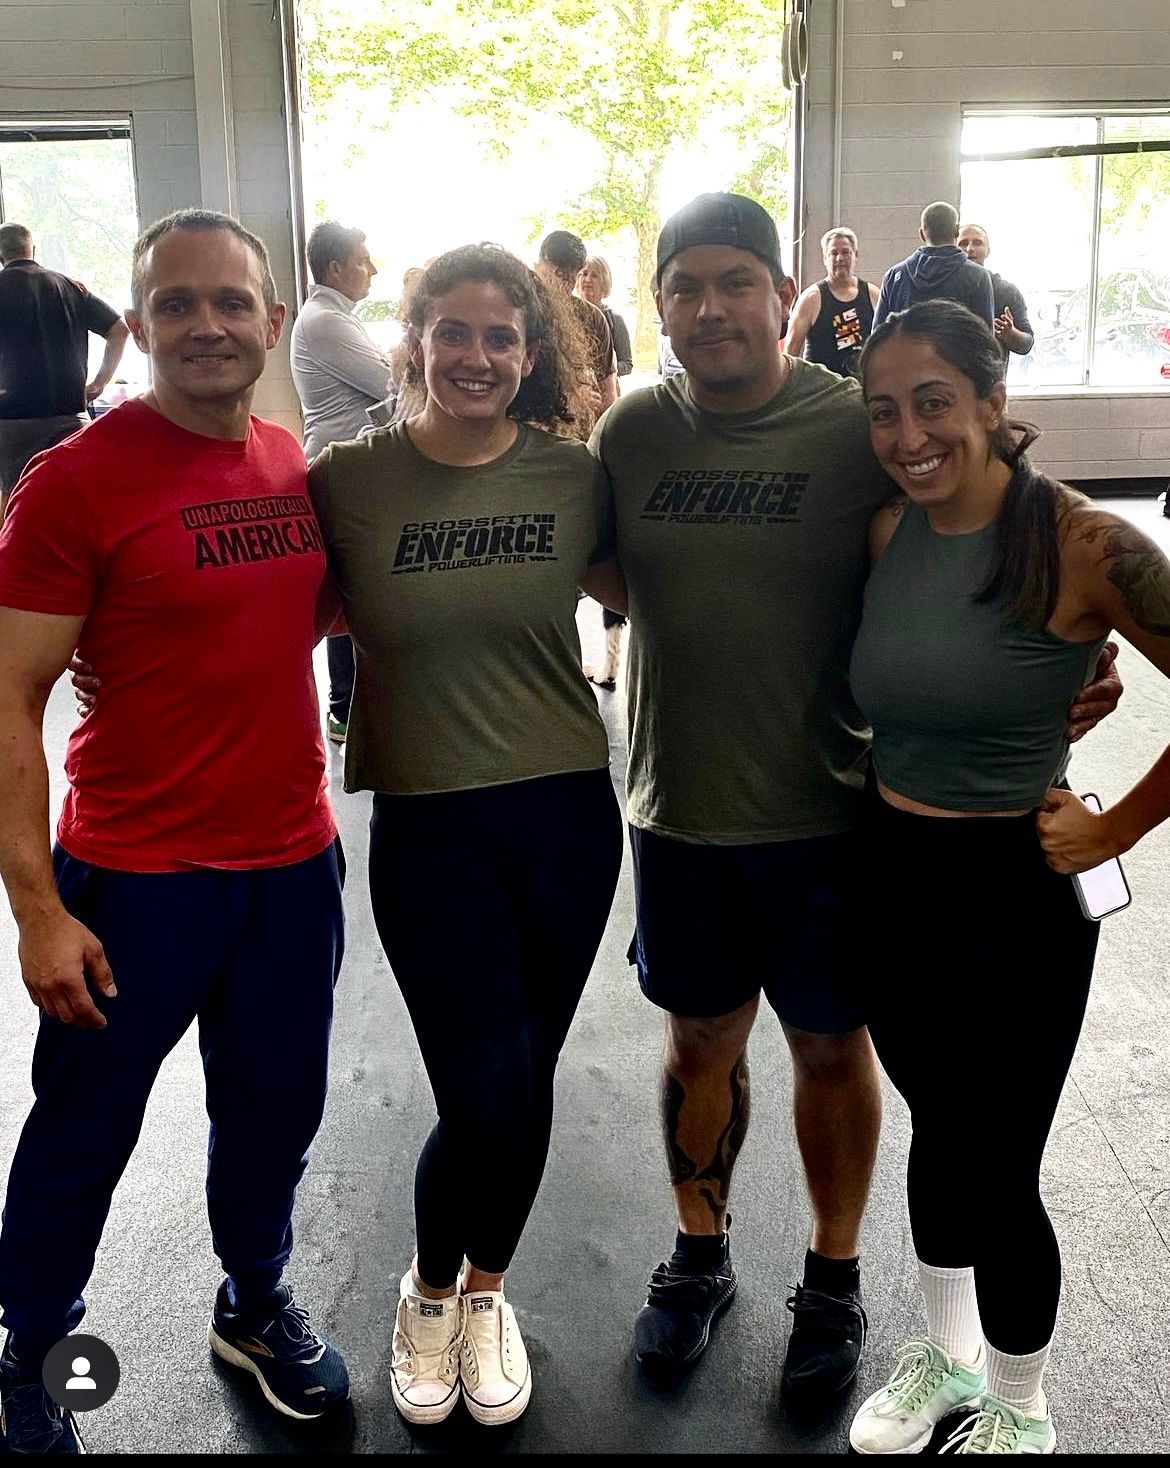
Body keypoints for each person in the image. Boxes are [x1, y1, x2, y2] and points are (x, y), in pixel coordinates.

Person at [586, 192, 1121, 1407]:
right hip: (680, 807)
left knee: (835, 1046)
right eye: (685, 286)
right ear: (659, 300)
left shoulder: (851, 425)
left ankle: (834, 1280)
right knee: (698, 1041)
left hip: (837, 810)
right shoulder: (629, 433)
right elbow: (605, 564)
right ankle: (699, 1252)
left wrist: (1060, 669)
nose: (710, 306)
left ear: (785, 295)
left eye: (736, 281)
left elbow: (990, 530)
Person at [0, 208, 350, 1454]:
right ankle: (32, 1351)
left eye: (231, 302)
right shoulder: (77, 479)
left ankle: (254, 1304)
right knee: (84, 1128)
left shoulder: (282, 461)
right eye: (177, 303)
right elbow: (10, 693)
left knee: (275, 1111)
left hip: (291, 865)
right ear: (138, 323)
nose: (208, 323)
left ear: (269, 319)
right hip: (137, 879)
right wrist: (39, 908)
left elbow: (275, 635)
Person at [306, 243, 623, 1429]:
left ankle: (484, 1292)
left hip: (562, 814)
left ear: (530, 352)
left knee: (524, 1074)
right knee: (481, 1086)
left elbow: (691, 595)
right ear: (415, 339)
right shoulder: (347, 482)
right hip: (431, 821)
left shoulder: (571, 475)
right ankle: (425, 1288)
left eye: (502, 337)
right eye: (455, 333)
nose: (478, 356)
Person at [847, 297, 1170, 1455]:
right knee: (939, 1126)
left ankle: (1022, 1398)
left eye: (934, 402)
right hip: (891, 872)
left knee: (998, 1156)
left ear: (993, 402)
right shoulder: (891, 535)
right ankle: (945, 1353)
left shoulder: (1082, 541)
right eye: (884, 411)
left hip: (1016, 890)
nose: (908, 433)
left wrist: (1121, 825)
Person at [290, 220, 392, 745]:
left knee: (358, 584)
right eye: (363, 259)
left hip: (354, 470)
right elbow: (391, 383)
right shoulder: (327, 320)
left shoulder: (335, 317)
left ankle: (351, 703)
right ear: (335, 269)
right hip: (343, 472)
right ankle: (344, 706)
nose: (372, 269)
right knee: (349, 589)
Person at [0, 222, 130, 515]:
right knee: (80, 500)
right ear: (32, 249)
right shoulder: (70, 287)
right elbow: (119, 330)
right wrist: (98, 384)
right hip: (70, 414)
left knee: (15, 500)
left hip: (11, 420)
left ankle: (13, 557)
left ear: (1, 255)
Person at [536, 229, 617, 423]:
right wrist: (570, 397)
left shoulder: (593, 317)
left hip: (581, 437)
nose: (565, 283)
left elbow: (608, 388)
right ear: (540, 265)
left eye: (572, 277)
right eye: (557, 274)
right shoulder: (520, 312)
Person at [873, 202, 994, 330]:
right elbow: (986, 341)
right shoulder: (978, 276)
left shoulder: (894, 276)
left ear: (921, 234)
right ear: (956, 231)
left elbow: (877, 336)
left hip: (906, 350)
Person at [784, 227, 879, 378]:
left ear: (856, 255)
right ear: (825, 258)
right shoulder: (811, 299)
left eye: (845, 252)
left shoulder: (873, 295)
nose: (839, 258)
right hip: (822, 393)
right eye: (833, 253)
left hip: (862, 390)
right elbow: (791, 350)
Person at [957, 222, 1035, 372]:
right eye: (963, 243)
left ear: (988, 250)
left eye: (977, 243)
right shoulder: (945, 287)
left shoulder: (1006, 292)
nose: (969, 249)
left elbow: (1027, 344)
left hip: (990, 387)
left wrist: (1010, 333)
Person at [577, 255, 633, 379]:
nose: (588, 279)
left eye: (594, 275)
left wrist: (603, 372)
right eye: (584, 274)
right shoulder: (567, 316)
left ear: (604, 282)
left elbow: (627, 364)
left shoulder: (615, 320)